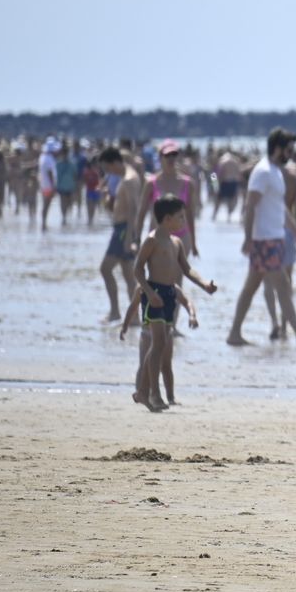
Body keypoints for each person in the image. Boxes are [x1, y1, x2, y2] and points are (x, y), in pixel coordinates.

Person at [130, 195, 215, 412]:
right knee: (158, 344)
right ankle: (153, 393)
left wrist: (204, 284)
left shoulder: (176, 243)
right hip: (155, 293)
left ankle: (143, 391)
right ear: (167, 219)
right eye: (180, 217)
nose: (184, 221)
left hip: (169, 295)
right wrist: (149, 292)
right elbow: (137, 269)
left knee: (162, 344)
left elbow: (187, 269)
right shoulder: (151, 241)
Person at [226, 128, 296, 346]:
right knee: (282, 286)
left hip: (274, 238)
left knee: (253, 287)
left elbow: (280, 208)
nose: (291, 154)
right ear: (278, 148)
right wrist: (248, 238)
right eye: (288, 150)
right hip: (264, 240)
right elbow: (250, 206)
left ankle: (234, 333)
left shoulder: (275, 171)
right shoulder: (263, 172)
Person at [97, 147, 144, 322]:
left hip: (124, 230)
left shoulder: (129, 179)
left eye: (108, 168)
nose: (108, 172)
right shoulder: (126, 177)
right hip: (122, 228)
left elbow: (134, 209)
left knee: (105, 269)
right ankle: (134, 317)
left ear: (116, 162)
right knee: (128, 276)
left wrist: (130, 237)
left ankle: (115, 311)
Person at [136, 141, 199, 258]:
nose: (171, 159)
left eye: (174, 155)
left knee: (179, 270)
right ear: (160, 157)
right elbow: (142, 212)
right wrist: (137, 238)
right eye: (167, 155)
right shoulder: (151, 183)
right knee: (157, 270)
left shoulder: (188, 183)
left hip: (182, 236)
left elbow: (190, 214)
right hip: (157, 235)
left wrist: (194, 243)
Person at [212, 147, 243, 219]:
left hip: (225, 182)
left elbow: (215, 174)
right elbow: (239, 174)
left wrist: (215, 186)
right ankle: (229, 217)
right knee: (231, 200)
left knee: (218, 200)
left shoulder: (222, 160)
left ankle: (214, 215)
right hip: (234, 182)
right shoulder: (235, 160)